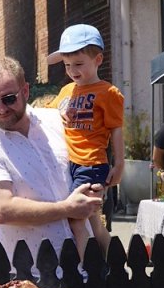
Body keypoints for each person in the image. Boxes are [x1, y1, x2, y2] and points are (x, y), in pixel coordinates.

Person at [0, 56, 103, 261]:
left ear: (25, 91)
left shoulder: (57, 121)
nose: (1, 108)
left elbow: (85, 163)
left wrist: (94, 187)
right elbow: (2, 210)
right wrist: (68, 209)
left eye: (9, 98)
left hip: (87, 262)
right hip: (35, 276)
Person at [48, 24, 125, 255]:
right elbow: (47, 115)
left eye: (79, 64)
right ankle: (115, 263)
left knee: (75, 217)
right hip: (67, 164)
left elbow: (116, 129)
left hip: (91, 164)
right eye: (67, 65)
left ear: (98, 59)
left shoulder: (109, 92)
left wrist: (119, 164)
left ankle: (81, 271)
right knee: (93, 220)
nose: (72, 70)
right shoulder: (66, 91)